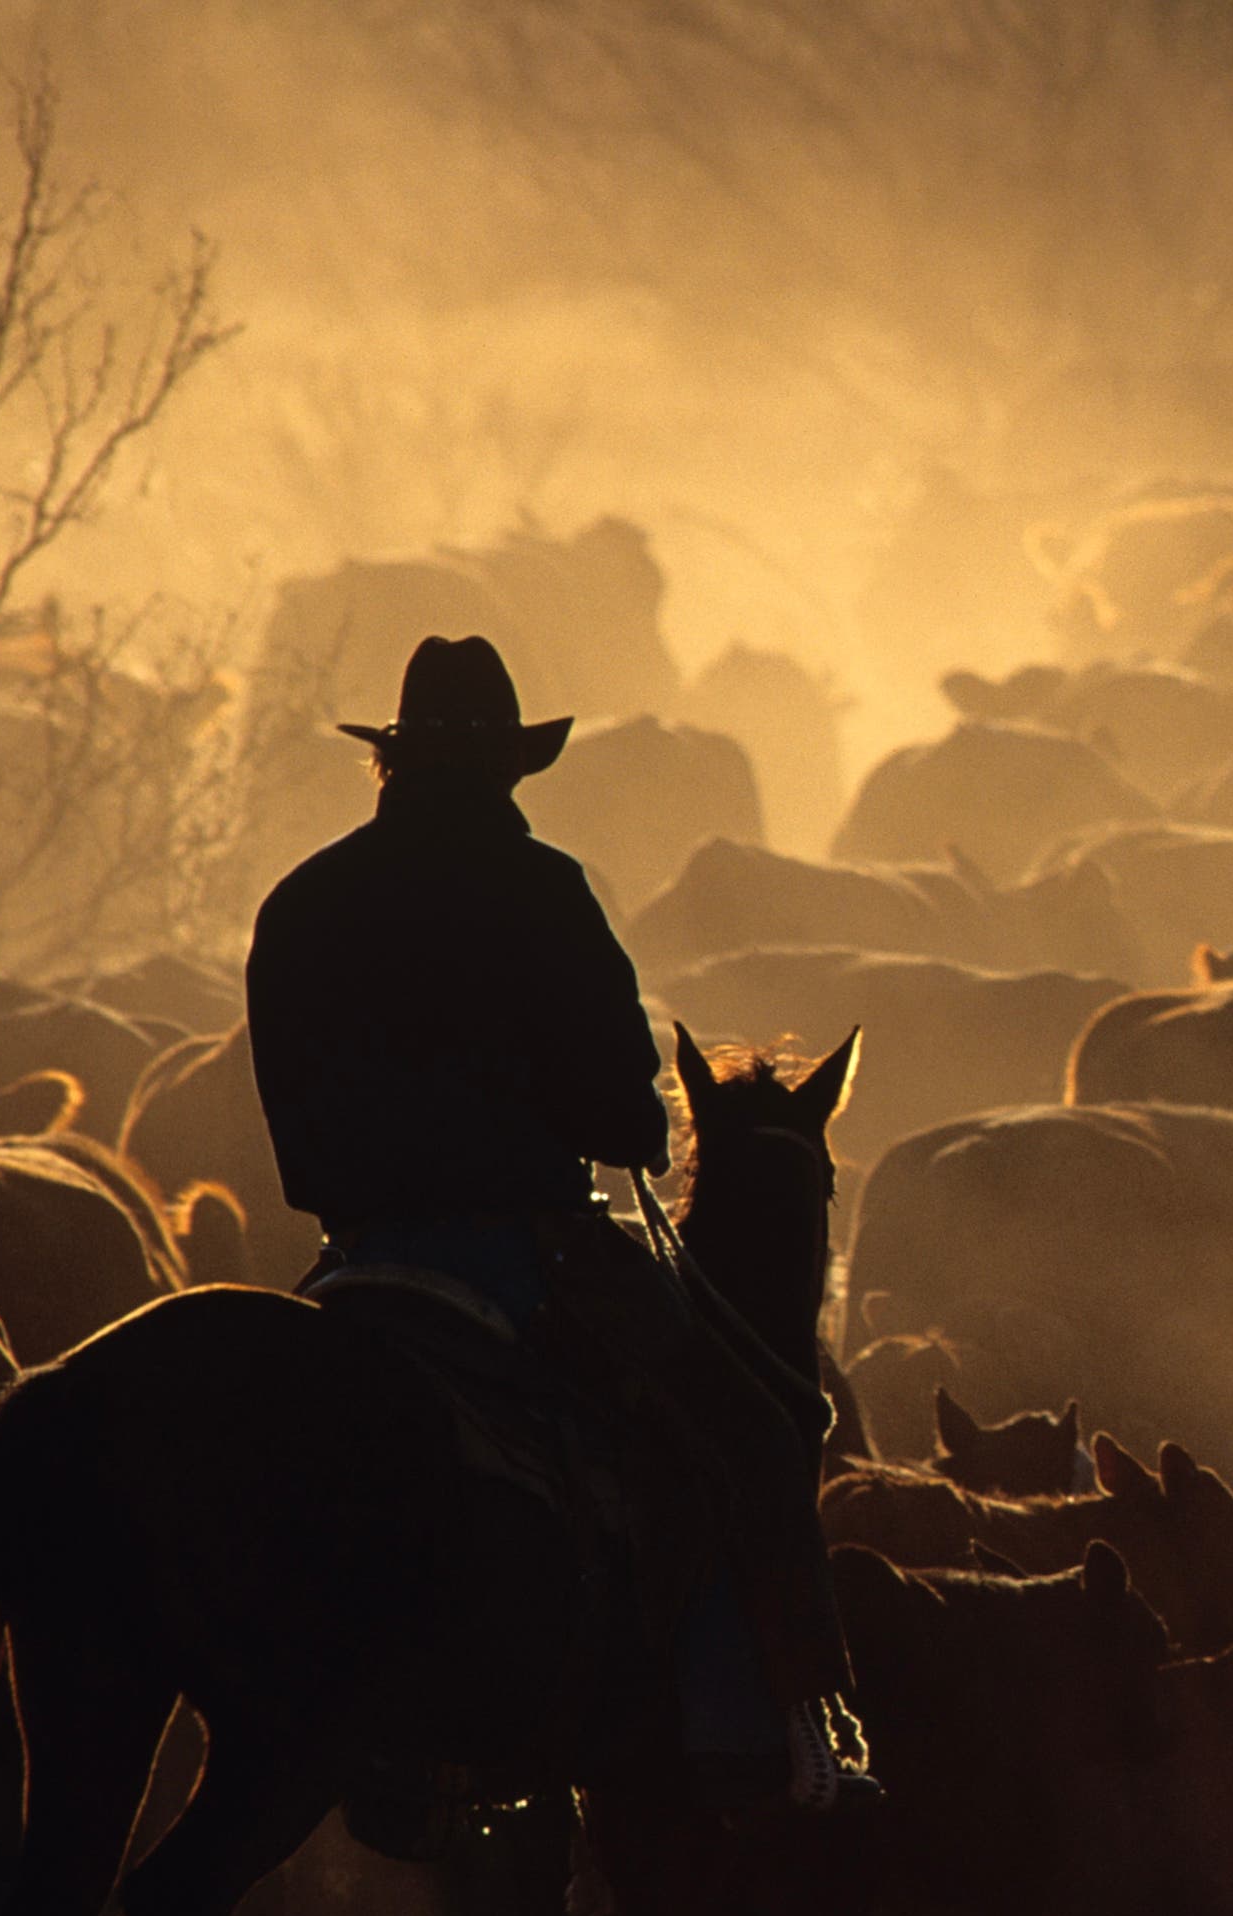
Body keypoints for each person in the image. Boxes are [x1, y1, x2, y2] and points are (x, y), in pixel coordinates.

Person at [244, 633, 870, 1813]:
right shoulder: (543, 889)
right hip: (517, 1255)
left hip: (355, 1259)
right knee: (756, 1430)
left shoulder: (303, 900)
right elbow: (628, 1123)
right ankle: (772, 1737)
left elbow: (291, 1130)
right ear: (507, 772)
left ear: (390, 762)